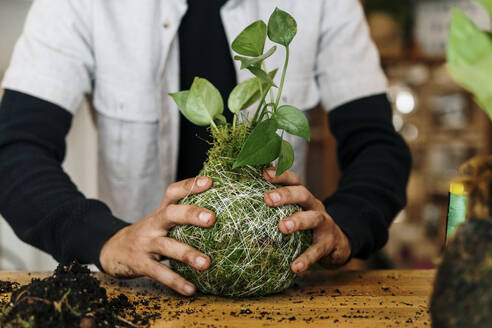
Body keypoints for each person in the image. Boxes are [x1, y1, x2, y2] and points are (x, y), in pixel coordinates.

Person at [0, 0, 411, 296]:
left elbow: (377, 143)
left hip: (272, 289)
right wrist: (104, 239)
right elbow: (15, 147)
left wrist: (347, 225)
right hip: (138, 295)